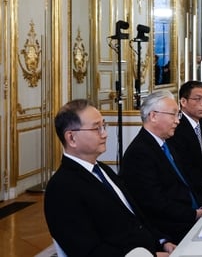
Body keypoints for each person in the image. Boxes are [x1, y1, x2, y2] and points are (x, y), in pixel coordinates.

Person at [45, 99, 176, 257]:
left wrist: (162, 241)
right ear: (71, 138)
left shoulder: (103, 169)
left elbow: (135, 216)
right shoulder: (62, 188)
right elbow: (88, 250)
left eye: (104, 126)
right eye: (96, 129)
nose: (105, 134)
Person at [120, 90, 202, 241]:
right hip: (173, 229)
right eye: (173, 114)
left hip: (192, 216)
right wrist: (194, 215)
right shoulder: (140, 153)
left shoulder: (166, 144)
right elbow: (155, 203)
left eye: (178, 115)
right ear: (153, 116)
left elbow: (187, 184)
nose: (177, 121)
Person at [170, 81, 202, 204]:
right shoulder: (177, 129)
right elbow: (187, 172)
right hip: (193, 196)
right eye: (198, 99)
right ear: (183, 102)